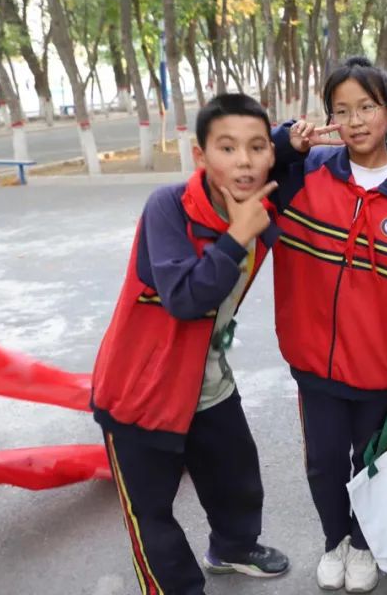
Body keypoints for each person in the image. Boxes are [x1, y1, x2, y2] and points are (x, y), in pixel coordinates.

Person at [91, 94, 333, 595]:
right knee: (151, 512)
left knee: (235, 476)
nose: (244, 161)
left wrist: (288, 141)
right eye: (227, 148)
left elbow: (275, 160)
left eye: (256, 148)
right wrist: (235, 237)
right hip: (142, 391)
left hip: (209, 379)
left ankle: (233, 547)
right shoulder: (169, 208)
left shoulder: (260, 199)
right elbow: (184, 298)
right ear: (200, 155)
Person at [270, 56, 387, 592]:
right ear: (328, 120)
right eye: (341, 111)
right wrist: (286, 141)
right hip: (312, 356)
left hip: (379, 360)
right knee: (322, 462)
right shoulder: (307, 172)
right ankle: (334, 540)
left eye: (367, 107)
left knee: (371, 458)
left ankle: (364, 543)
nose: (356, 120)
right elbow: (246, 165)